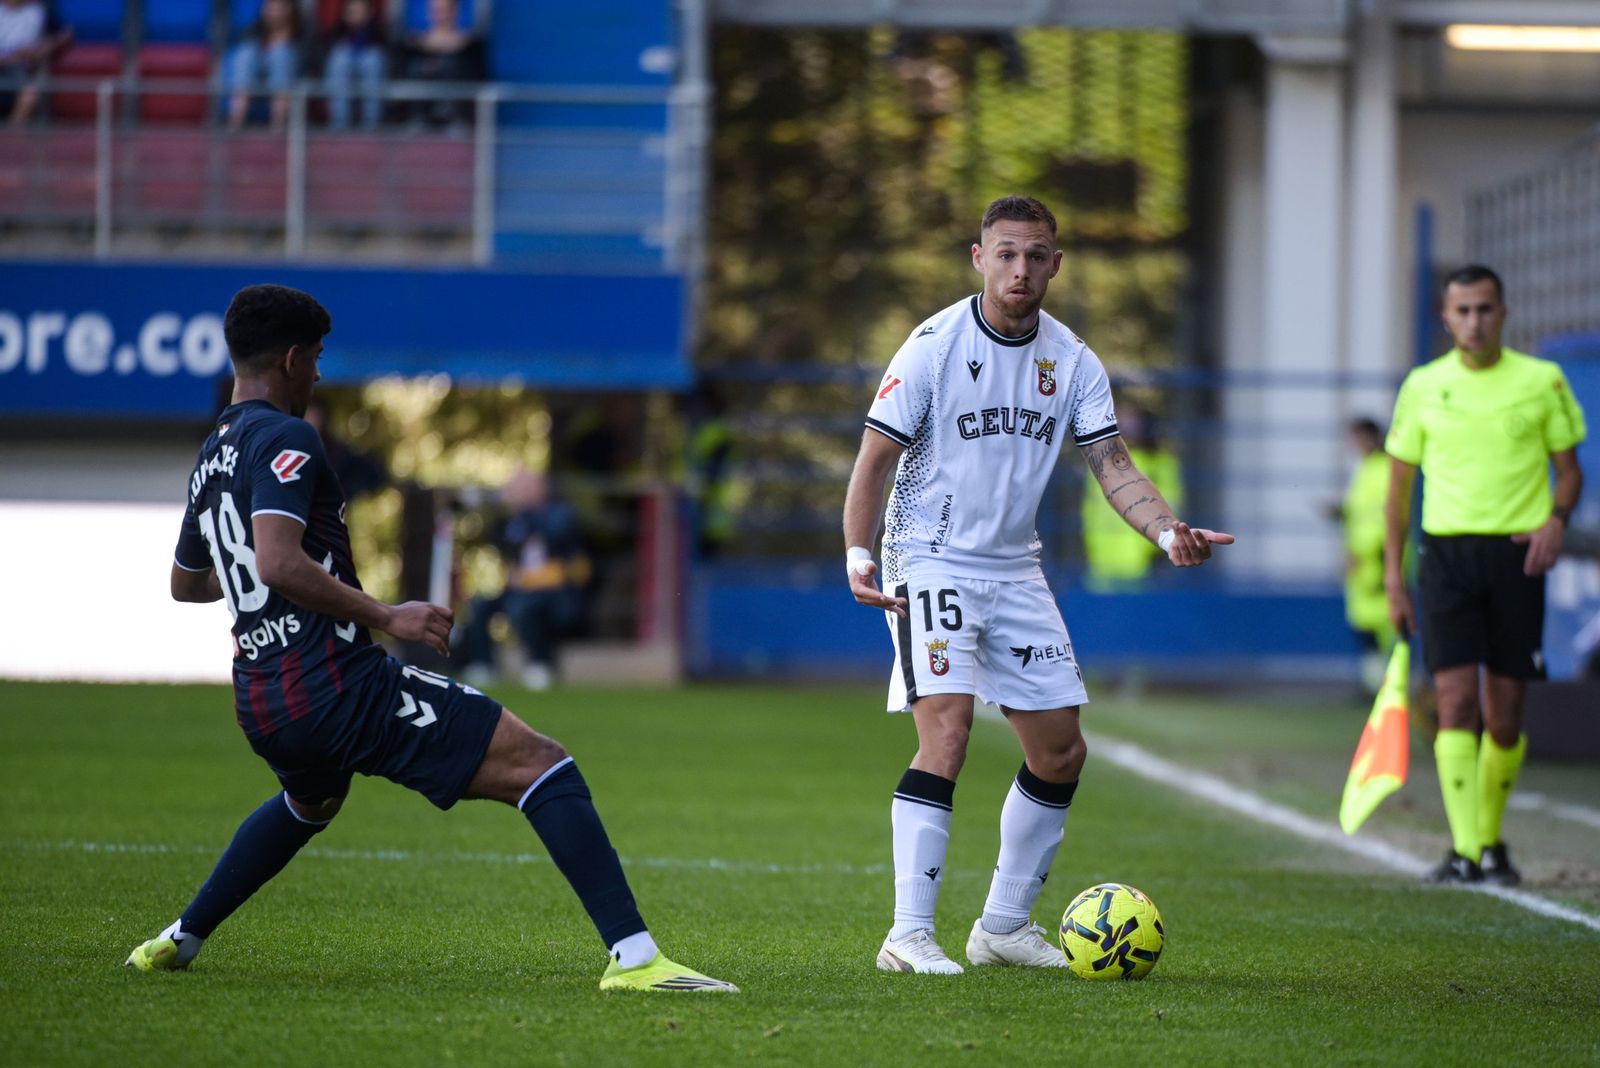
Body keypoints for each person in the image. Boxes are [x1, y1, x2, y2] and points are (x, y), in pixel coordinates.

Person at [124, 284, 735, 994]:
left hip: (262, 698)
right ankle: (637, 961)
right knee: (543, 764)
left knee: (309, 801)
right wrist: (388, 616)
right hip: (336, 685)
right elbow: (277, 561)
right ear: (292, 359)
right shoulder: (287, 437)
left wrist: (268, 596)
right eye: (317, 358)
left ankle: (180, 938)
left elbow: (188, 582)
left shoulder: (211, 455)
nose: (319, 373)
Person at [842, 196, 1233, 974]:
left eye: (1036, 256)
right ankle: (907, 934)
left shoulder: (1075, 362)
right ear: (979, 258)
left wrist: (1165, 530)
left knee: (1060, 752)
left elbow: (1113, 465)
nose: (1021, 269)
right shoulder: (932, 347)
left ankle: (1002, 928)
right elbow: (873, 464)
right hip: (929, 556)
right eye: (1007, 254)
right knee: (946, 732)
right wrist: (859, 556)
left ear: (1056, 263)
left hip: (1015, 567)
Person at [1384, 264, 1586, 886]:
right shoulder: (1422, 385)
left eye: (1484, 309)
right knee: (1454, 700)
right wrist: (1394, 576)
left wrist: (1556, 519)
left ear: (1504, 312)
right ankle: (1466, 850)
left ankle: (1490, 843)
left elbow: (1570, 470)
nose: (1474, 321)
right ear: (1446, 318)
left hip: (1516, 556)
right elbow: (1397, 493)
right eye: (1462, 310)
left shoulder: (1542, 381)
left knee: (1504, 712)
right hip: (1445, 557)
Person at [460, 469, 591, 691]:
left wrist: (524, 509)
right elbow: (499, 541)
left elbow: (558, 535)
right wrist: (488, 509)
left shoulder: (559, 513)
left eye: (522, 488)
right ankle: (483, 664)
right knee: (481, 605)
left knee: (527, 608)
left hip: (556, 592)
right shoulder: (515, 519)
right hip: (520, 590)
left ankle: (539, 664)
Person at [1080, 402, 1182, 589]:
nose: (1124, 427)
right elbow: (1090, 510)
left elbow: (1170, 509)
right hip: (1101, 563)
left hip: (1141, 564)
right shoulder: (1098, 462)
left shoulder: (1160, 463)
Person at [1333, 417, 1395, 692]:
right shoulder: (1366, 469)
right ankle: (1375, 686)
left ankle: (1390, 688)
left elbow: (1390, 518)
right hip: (1362, 562)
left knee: (1386, 630)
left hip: (1378, 562)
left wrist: (1374, 555)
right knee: (1365, 629)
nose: (1354, 444)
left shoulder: (1386, 470)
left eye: (1357, 438)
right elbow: (1361, 514)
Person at [399, 0, 485, 128]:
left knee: (453, 65)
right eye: (437, 10)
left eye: (446, 10)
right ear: (430, 12)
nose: (441, 14)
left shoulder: (471, 46)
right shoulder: (413, 44)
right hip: (423, 114)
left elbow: (479, 77)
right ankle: (418, 119)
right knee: (417, 67)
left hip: (458, 115)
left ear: (455, 11)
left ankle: (455, 118)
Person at [224, 0, 304, 130]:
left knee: (281, 55)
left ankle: (278, 125)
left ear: (289, 8)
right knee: (246, 54)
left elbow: (307, 62)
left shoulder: (302, 35)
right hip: (255, 78)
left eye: (275, 6)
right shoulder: (254, 31)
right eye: (267, 6)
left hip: (289, 78)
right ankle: (235, 121)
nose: (269, 10)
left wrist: (283, 43)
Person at [320, 0, 388, 130]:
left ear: (369, 13)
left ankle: (371, 125)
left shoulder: (378, 32)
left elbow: (386, 51)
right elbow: (324, 51)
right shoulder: (337, 31)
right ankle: (339, 124)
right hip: (344, 69)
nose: (357, 16)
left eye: (360, 12)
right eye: (353, 12)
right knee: (340, 60)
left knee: (372, 60)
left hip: (369, 68)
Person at [0, 0, 70, 125]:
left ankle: (12, 136)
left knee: (31, 92)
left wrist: (43, 48)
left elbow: (65, 35)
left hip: (25, 72)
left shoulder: (38, 12)